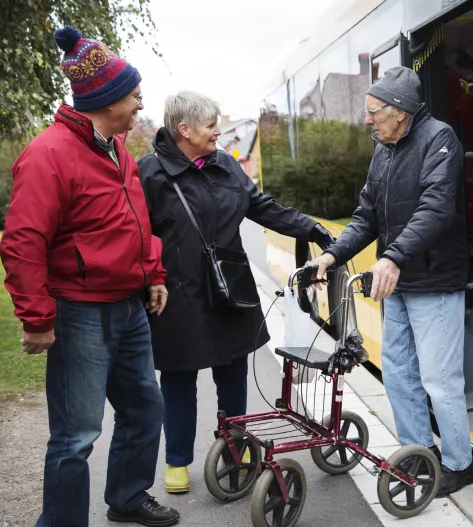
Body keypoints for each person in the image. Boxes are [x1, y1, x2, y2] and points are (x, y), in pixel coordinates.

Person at [0, 26, 179, 527]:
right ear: (104, 99)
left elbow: (135, 218)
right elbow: (22, 240)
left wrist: (153, 272)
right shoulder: (48, 154)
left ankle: (126, 496)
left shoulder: (118, 148)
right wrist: (37, 319)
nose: (139, 102)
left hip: (129, 305)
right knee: (77, 430)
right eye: (132, 95)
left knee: (145, 407)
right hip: (80, 312)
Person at [137, 91, 335, 494]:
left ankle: (235, 447)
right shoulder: (149, 173)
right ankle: (177, 461)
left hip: (230, 288)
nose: (218, 132)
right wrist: (145, 278)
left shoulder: (226, 164)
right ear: (184, 130)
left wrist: (308, 227)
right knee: (178, 380)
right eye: (211, 126)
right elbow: (135, 234)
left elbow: (262, 206)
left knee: (233, 373)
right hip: (178, 294)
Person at [314, 67, 473, 497]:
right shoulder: (383, 149)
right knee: (399, 372)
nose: (366, 120)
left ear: (399, 111)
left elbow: (436, 209)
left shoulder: (439, 139)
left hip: (434, 280)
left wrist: (392, 258)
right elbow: (367, 214)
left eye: (372, 112)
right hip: (399, 282)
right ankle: (419, 452)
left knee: (439, 379)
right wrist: (334, 253)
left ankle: (460, 464)